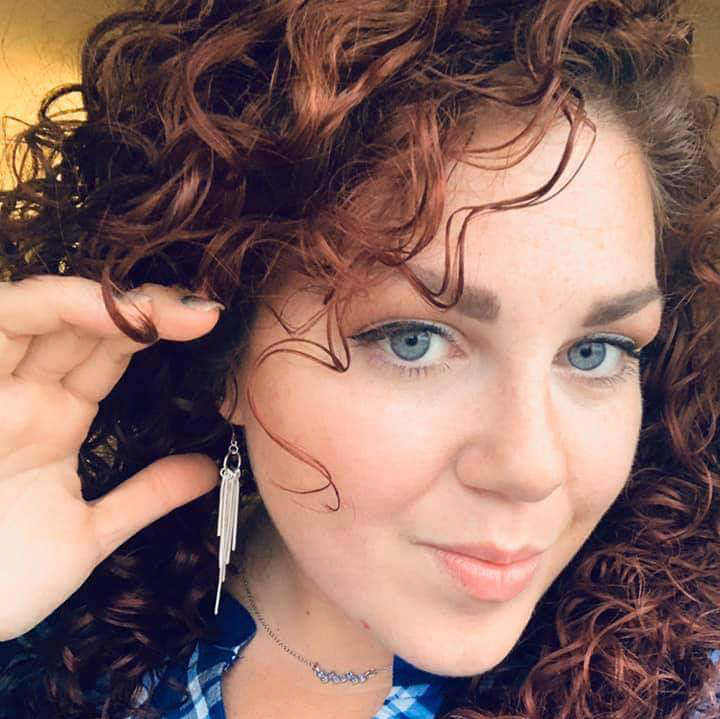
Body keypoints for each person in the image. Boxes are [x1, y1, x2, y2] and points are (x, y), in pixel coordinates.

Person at [1, 0, 720, 717]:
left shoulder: (685, 686)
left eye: (595, 352)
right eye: (415, 340)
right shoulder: (60, 624)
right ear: (225, 355)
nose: (531, 469)